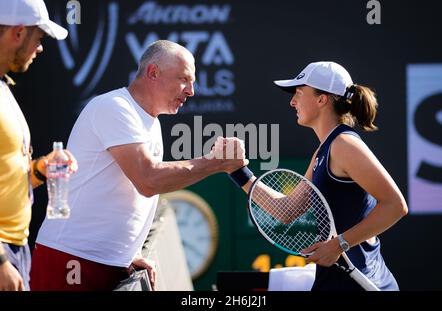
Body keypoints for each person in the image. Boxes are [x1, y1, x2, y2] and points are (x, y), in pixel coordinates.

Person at [30, 40, 248, 291]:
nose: (191, 91)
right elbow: (148, 180)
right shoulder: (114, 107)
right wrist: (216, 163)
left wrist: (128, 254)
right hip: (71, 260)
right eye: (184, 79)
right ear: (153, 72)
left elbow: (129, 193)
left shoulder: (148, 121)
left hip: (108, 264)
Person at [230, 61, 408, 290]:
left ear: (322, 99)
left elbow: (395, 205)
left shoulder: (344, 145)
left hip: (361, 283)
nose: (292, 101)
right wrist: (237, 171)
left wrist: (338, 245)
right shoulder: (325, 149)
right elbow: (286, 211)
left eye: (299, 93)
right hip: (337, 281)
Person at [0, 0, 77, 291]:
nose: (41, 48)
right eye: (39, 38)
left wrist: (41, 171)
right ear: (18, 33)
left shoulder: (4, 88)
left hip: (15, 249)